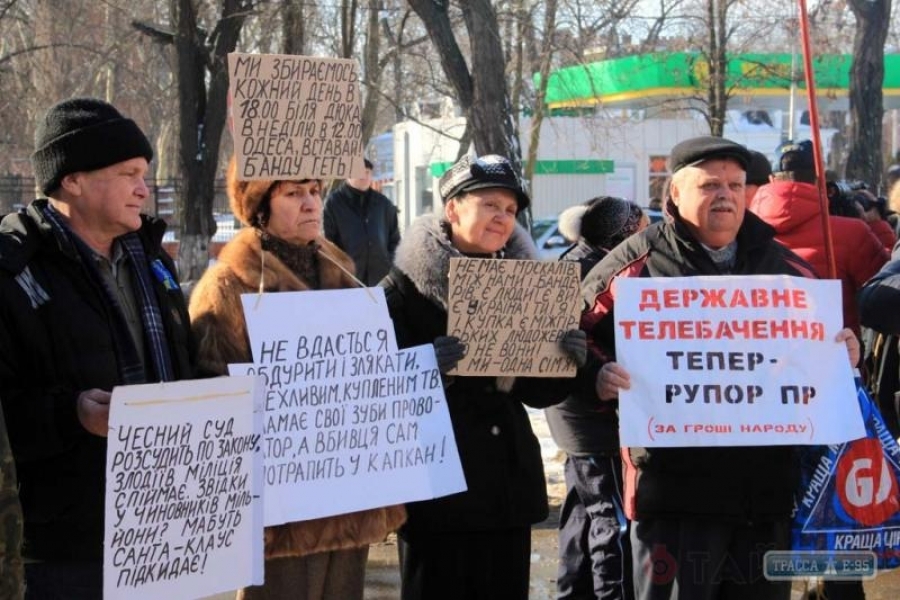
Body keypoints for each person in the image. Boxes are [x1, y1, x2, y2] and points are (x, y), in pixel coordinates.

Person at [580, 136, 861, 600]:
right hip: (672, 497)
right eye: (710, 185)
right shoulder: (635, 265)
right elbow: (572, 336)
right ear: (673, 193)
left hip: (765, 496)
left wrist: (844, 352)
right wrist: (597, 375)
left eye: (736, 184)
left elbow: (825, 346)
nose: (726, 195)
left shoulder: (784, 266)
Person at [0, 97, 195, 598]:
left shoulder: (153, 262)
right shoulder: (13, 270)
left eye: (145, 174)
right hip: (67, 546)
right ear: (73, 179)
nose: (143, 189)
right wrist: (73, 414)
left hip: (163, 526)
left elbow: (182, 371)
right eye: (128, 172)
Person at [188, 158, 406, 600]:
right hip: (279, 514)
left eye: (315, 190)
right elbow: (212, 402)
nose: (311, 203)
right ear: (260, 207)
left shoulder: (341, 270)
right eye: (293, 193)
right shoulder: (229, 286)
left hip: (347, 495)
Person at [380, 154, 587, 600]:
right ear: (452, 208)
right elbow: (372, 385)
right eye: (490, 204)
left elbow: (536, 393)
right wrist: (422, 366)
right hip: (436, 492)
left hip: (505, 487)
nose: (502, 218)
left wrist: (566, 360)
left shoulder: (528, 286)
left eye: (511, 210)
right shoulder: (400, 290)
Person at [548, 196, 648, 600]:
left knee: (581, 513)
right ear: (621, 234)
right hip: (592, 415)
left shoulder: (575, 260)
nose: (645, 238)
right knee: (611, 519)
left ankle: (572, 593)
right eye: (639, 230)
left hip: (573, 413)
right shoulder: (601, 272)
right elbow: (570, 342)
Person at [749, 140, 888, 341]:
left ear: (771, 179)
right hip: (837, 359)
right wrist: (877, 225)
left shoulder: (741, 233)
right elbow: (887, 297)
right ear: (820, 179)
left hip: (762, 361)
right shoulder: (851, 233)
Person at [323, 158, 400, 285]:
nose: (364, 176)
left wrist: (389, 264)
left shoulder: (383, 204)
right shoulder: (334, 204)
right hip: (348, 279)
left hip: (381, 279)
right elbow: (328, 242)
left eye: (368, 172)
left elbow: (395, 241)